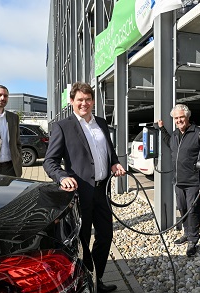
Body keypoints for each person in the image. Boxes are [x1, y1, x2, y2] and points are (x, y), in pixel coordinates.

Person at [43, 82, 126, 293]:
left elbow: (109, 151)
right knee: (82, 240)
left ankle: (97, 280)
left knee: (106, 236)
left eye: (88, 99)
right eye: (79, 99)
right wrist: (62, 177)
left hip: (102, 191)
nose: (84, 103)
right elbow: (49, 162)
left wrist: (115, 163)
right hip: (80, 194)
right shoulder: (63, 126)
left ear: (92, 101)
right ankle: (85, 282)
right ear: (71, 101)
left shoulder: (101, 123)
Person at [157, 104, 200, 257]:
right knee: (183, 209)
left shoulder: (198, 133)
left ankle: (193, 240)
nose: (179, 120)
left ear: (187, 117)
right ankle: (187, 233)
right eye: (176, 118)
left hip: (193, 182)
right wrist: (162, 129)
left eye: (181, 117)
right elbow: (168, 142)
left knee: (193, 211)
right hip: (178, 181)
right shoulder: (176, 135)